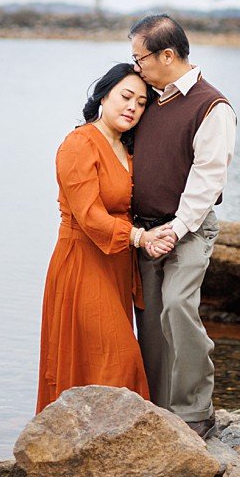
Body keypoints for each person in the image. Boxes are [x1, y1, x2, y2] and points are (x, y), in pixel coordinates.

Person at [128, 14, 236, 437]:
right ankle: (158, 410)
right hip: (144, 230)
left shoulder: (213, 107)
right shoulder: (148, 98)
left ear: (167, 54)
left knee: (177, 307)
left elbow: (208, 179)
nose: (137, 66)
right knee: (151, 321)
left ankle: (195, 412)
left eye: (141, 58)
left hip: (189, 228)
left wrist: (175, 229)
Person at [35, 63, 161, 412]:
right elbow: (89, 217)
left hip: (117, 266)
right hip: (83, 263)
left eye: (141, 102)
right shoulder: (78, 145)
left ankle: (106, 451)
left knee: (101, 359)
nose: (132, 107)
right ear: (104, 95)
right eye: (125, 96)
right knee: (116, 359)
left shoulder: (127, 148)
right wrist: (139, 237)